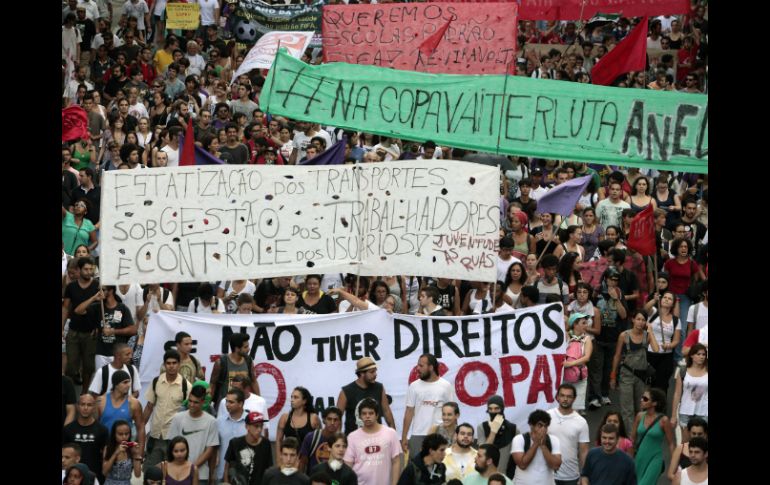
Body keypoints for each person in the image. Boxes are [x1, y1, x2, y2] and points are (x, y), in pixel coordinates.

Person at [610, 310, 659, 432]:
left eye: (643, 320)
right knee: (627, 409)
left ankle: (638, 433)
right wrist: (613, 375)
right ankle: (631, 438)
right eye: (638, 319)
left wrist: (651, 332)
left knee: (640, 407)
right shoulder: (624, 335)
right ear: (633, 320)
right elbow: (617, 356)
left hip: (641, 376)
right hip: (626, 375)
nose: (640, 322)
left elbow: (656, 349)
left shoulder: (646, 336)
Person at [143, 350, 193, 469]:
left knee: (172, 473)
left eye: (174, 363)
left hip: (174, 437)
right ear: (164, 365)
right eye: (168, 363)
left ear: (179, 364)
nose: (171, 366)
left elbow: (189, 412)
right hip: (155, 436)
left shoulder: (187, 386)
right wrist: (140, 428)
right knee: (151, 472)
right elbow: (149, 407)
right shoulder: (156, 382)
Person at [587, 267, 628, 410]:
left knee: (608, 368)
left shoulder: (620, 293)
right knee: (596, 368)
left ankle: (604, 394)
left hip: (613, 337)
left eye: (616, 280)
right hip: (598, 336)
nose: (613, 282)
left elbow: (623, 315)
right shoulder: (597, 292)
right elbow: (588, 309)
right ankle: (594, 397)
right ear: (605, 278)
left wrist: (616, 299)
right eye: (611, 279)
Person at [402, 353, 457, 458]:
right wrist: (404, 436)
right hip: (418, 435)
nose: (417, 368)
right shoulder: (414, 386)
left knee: (441, 468)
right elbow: (409, 412)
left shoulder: (446, 386)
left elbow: (452, 412)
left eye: (421, 366)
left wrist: (454, 434)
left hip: (440, 435)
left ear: (431, 367)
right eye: (418, 365)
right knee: (417, 470)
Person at [167, 384, 220, 485]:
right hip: (178, 474)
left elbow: (210, 450)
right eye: (190, 401)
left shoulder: (211, 421)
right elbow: (171, 445)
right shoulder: (178, 418)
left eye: (195, 402)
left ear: (203, 402)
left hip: (201, 474)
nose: (191, 404)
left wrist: (193, 467)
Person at [344, 398, 402, 485]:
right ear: (359, 416)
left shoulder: (390, 433)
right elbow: (348, 465)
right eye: (364, 413)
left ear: (377, 415)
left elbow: (396, 461)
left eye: (371, 413)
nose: (367, 416)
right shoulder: (352, 437)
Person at [337, 357, 396, 435]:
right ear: (362, 373)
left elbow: (386, 412)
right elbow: (337, 417)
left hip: (376, 437)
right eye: (372, 372)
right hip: (354, 440)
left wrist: (393, 434)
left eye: (375, 371)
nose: (375, 374)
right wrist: (338, 439)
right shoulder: (346, 391)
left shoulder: (379, 387)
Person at [630, 388, 675, 485]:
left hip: (655, 459)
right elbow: (632, 439)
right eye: (642, 398)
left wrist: (674, 464)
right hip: (639, 458)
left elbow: (671, 443)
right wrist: (629, 457)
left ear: (654, 403)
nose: (641, 400)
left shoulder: (664, 420)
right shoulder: (639, 416)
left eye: (645, 399)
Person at [548, 384, 590, 485]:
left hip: (571, 477)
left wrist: (584, 476)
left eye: (569, 396)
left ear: (574, 398)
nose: (565, 399)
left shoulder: (581, 422)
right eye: (562, 395)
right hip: (548, 475)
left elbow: (584, 452)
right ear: (557, 397)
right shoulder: (547, 416)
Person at [87, 286, 136, 370]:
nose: (100, 292)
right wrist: (94, 298)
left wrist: (113, 331)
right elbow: (78, 310)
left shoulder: (122, 308)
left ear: (111, 291)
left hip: (118, 354)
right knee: (102, 379)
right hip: (101, 353)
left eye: (103, 290)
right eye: (98, 290)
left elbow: (133, 330)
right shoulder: (97, 307)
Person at [64, 396, 109, 484]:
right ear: (77, 406)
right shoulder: (68, 429)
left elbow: (106, 456)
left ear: (94, 407)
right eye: (82, 404)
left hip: (95, 476)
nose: (85, 408)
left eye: (89, 405)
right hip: (72, 478)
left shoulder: (102, 430)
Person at [511, 409, 562, 485]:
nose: (543, 429)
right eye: (540, 425)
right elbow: (522, 465)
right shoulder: (519, 439)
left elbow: (556, 466)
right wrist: (536, 443)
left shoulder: (554, 440)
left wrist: (543, 445)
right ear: (531, 425)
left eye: (545, 426)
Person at [98, 370, 145, 452]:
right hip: (104, 448)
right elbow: (94, 426)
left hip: (125, 450)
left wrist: (140, 452)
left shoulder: (134, 403)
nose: (129, 385)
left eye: (129, 382)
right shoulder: (101, 401)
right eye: (125, 382)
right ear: (116, 384)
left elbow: (140, 428)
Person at [223, 411, 274, 485]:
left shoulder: (266, 444)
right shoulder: (235, 443)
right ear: (247, 427)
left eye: (261, 426)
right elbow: (227, 467)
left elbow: (269, 468)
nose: (259, 429)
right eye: (256, 426)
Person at [670, 344, 708, 442]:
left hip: (704, 411)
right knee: (685, 443)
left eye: (704, 354)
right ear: (692, 355)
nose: (702, 356)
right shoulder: (683, 371)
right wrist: (673, 416)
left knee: (702, 444)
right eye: (698, 354)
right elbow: (677, 394)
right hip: (685, 411)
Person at [209, 333, 259, 407]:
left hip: (243, 405)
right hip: (225, 405)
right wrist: (207, 404)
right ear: (237, 348)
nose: (248, 349)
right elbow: (212, 384)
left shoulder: (248, 361)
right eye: (245, 347)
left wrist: (259, 401)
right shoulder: (221, 362)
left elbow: (253, 382)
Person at [646, 291, 681, 393]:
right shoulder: (653, 312)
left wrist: (669, 345)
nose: (666, 299)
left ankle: (660, 407)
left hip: (666, 356)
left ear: (673, 304)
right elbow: (645, 308)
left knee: (662, 385)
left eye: (669, 298)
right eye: (664, 297)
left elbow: (676, 340)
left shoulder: (676, 320)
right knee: (648, 383)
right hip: (650, 353)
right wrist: (654, 300)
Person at [276, 387, 321, 464]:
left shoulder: (313, 418)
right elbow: (279, 440)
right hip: (288, 459)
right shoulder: (284, 418)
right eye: (292, 397)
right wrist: (279, 460)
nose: (292, 400)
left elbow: (319, 440)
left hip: (307, 460)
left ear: (304, 401)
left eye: (296, 397)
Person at [475, 395, 516, 474]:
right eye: (490, 409)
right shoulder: (482, 427)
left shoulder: (513, 428)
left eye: (496, 409)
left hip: (506, 475)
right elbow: (483, 452)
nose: (493, 412)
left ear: (502, 409)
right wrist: (493, 432)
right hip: (486, 474)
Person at [562, 314, 593, 414]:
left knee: (575, 409)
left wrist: (570, 364)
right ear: (575, 324)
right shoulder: (566, 335)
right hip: (564, 377)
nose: (586, 325)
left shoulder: (587, 339)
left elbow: (587, 358)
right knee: (563, 406)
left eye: (586, 322)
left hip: (580, 377)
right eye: (583, 323)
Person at [214, 388, 247, 482]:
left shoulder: (250, 423)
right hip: (221, 474)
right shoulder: (219, 422)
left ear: (240, 404)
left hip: (245, 476)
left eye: (231, 402)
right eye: (226, 401)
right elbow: (214, 448)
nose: (227, 405)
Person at [299, 407, 343, 473]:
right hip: (314, 480)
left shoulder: (343, 441)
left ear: (339, 422)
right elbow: (302, 463)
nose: (332, 422)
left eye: (335, 420)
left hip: (334, 482)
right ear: (323, 420)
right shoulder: (311, 437)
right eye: (329, 419)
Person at [102, 420, 142, 485]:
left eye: (127, 434)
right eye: (120, 434)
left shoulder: (131, 449)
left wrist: (137, 454)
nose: (124, 437)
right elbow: (104, 472)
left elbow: (137, 474)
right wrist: (116, 453)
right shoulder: (108, 448)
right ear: (114, 434)